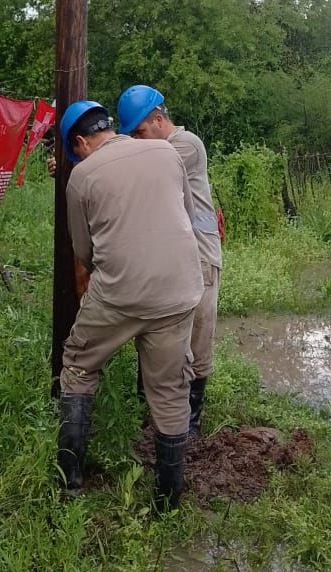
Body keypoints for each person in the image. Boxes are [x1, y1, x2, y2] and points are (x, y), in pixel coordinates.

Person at [56, 99, 203, 510]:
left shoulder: (81, 176)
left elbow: (83, 250)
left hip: (119, 294)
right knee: (170, 390)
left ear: (81, 142)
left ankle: (68, 482)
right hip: (179, 290)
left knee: (79, 364)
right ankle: (168, 501)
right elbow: (187, 216)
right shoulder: (166, 153)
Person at [117, 85, 222, 434]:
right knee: (156, 330)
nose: (137, 139)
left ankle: (191, 421)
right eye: (132, 135)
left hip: (199, 255)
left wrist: (88, 158)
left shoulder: (186, 145)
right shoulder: (151, 148)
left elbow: (132, 168)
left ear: (159, 120)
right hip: (166, 256)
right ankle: (148, 410)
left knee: (198, 335)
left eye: (140, 132)